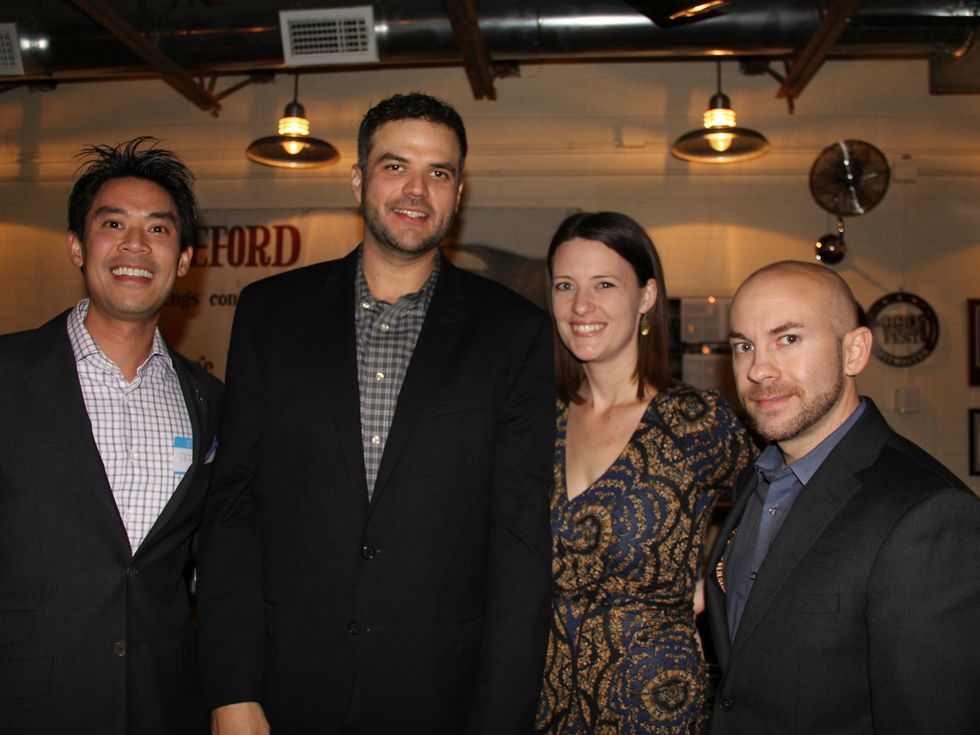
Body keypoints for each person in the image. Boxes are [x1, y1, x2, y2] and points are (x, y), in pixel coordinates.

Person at [197, 92, 554, 735]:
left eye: (438, 173)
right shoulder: (270, 314)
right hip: (284, 690)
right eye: (395, 167)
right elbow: (234, 509)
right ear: (359, 178)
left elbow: (520, 542)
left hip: (442, 695)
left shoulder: (514, 332)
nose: (417, 189)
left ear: (458, 192)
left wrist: (501, 717)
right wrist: (232, 686)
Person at [0, 137, 222, 734]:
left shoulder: (211, 403)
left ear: (183, 261)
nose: (134, 245)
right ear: (77, 246)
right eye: (113, 223)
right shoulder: (7, 374)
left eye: (158, 229)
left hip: (163, 706)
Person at [707, 260, 980, 734]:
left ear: (854, 352)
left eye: (788, 339)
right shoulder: (758, 478)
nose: (758, 369)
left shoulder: (929, 514)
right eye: (744, 346)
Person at [534, 212, 753, 735]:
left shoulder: (695, 421)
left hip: (652, 701)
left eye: (604, 285)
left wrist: (713, 593)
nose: (581, 306)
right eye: (566, 286)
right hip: (542, 701)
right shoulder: (537, 422)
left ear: (647, 296)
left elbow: (780, 505)